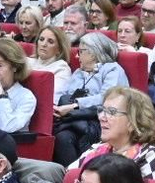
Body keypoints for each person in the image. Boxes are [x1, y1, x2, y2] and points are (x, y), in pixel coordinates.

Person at [51, 32, 129, 166]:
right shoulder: (78, 72)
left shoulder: (112, 69)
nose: (77, 55)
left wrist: (76, 105)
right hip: (76, 120)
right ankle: (71, 177)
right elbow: (67, 96)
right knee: (62, 138)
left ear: (93, 53)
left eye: (80, 51)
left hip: (101, 120)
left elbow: (108, 98)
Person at [67, 86, 155, 183]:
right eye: (102, 110)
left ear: (133, 122)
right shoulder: (98, 148)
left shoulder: (150, 156)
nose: (101, 117)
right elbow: (68, 177)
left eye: (111, 112)